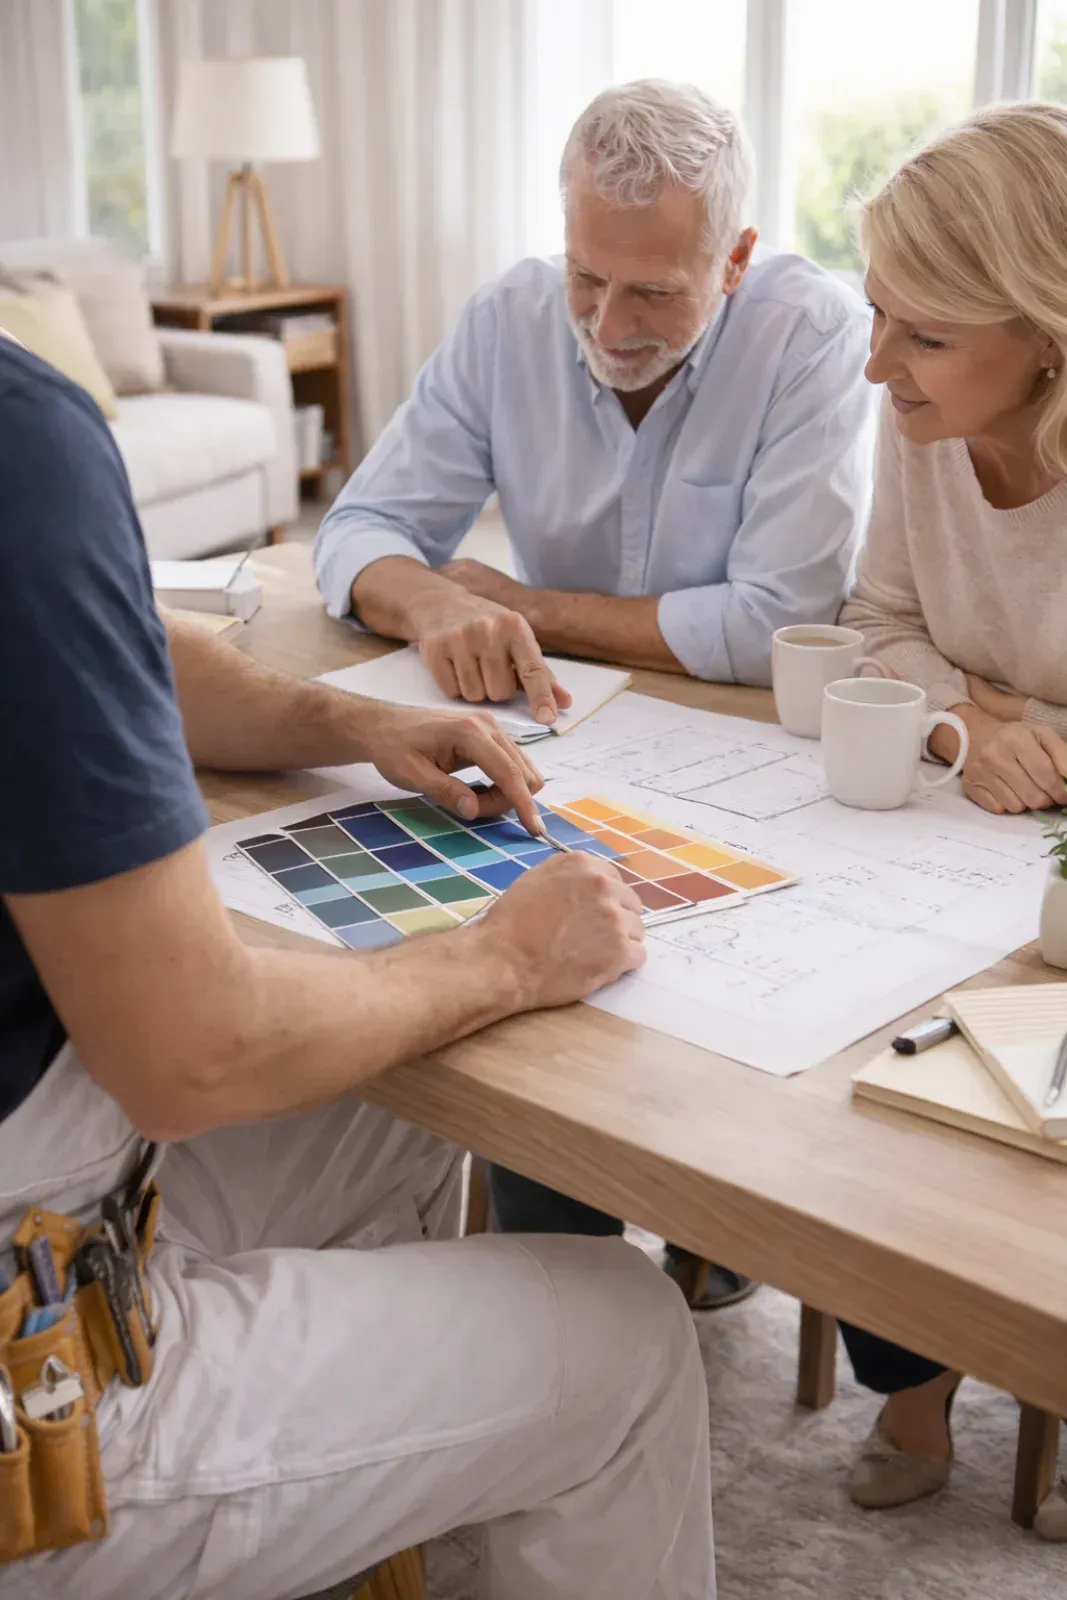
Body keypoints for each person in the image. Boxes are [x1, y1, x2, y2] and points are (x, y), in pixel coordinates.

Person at [0, 329, 717, 1599]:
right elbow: (190, 1054)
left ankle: (366, 1495)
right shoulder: (19, 442)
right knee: (626, 1337)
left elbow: (126, 648)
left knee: (393, 1099)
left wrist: (351, 720)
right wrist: (498, 956)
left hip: (56, 1182)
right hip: (36, 1394)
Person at [315, 78, 873, 1307]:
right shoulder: (509, 316)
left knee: (722, 978)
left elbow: (776, 623)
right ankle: (561, 1301)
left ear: (732, 257)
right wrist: (438, 601)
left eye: (653, 292)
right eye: (586, 276)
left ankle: (703, 1225)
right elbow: (357, 531)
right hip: (568, 733)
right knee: (530, 972)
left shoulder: (813, 331)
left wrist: (525, 604)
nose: (607, 323)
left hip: (745, 754)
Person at [837, 102, 1067, 1534]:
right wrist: (962, 718)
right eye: (875, 318)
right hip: (949, 832)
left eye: (917, 333)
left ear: (1045, 331)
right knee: (854, 1072)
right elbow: (871, 628)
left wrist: (1007, 718)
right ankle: (907, 1386)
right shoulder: (914, 426)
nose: (875, 365)